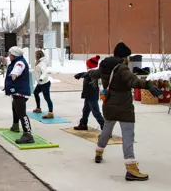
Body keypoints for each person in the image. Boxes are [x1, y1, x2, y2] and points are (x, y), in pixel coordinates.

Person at [75, 42, 162, 181]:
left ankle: (99, 151)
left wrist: (84, 74)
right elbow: (133, 80)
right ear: (124, 56)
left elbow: (95, 73)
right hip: (124, 108)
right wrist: (148, 84)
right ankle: (131, 168)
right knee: (127, 135)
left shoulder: (104, 66)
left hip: (109, 105)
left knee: (107, 131)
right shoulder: (122, 68)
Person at [5, 46, 35, 144]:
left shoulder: (20, 62)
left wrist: (15, 74)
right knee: (15, 108)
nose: (8, 56)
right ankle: (15, 125)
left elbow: (18, 68)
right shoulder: (15, 61)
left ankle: (28, 134)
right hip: (17, 91)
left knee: (21, 112)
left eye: (9, 54)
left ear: (14, 55)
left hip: (21, 92)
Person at [73, 55, 105, 131]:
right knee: (85, 110)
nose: (86, 66)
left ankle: (104, 126)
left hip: (92, 96)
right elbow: (86, 73)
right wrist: (80, 75)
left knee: (95, 112)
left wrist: (80, 75)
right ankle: (83, 124)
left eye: (87, 64)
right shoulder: (91, 72)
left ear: (90, 65)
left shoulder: (93, 73)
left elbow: (88, 74)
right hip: (88, 95)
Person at [32, 50, 54, 119]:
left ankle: (50, 113)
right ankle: (38, 108)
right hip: (40, 83)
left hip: (44, 83)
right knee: (35, 93)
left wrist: (41, 78)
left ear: (38, 56)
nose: (35, 56)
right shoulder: (39, 62)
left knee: (47, 97)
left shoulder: (42, 63)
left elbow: (44, 72)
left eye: (35, 55)